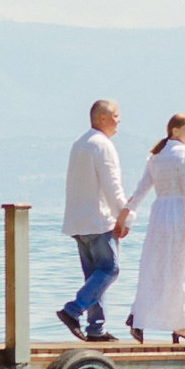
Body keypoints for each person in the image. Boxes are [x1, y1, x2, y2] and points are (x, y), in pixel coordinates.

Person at [124, 112, 185, 344]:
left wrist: (126, 215)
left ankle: (139, 315)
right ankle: (182, 326)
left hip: (160, 215)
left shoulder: (156, 156)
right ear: (175, 131)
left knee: (157, 267)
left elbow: (141, 190)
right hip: (181, 215)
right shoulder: (183, 154)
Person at [56, 99, 132, 341]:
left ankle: (96, 328)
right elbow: (112, 186)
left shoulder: (80, 143)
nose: (119, 120)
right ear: (102, 118)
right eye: (116, 115)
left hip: (78, 221)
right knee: (110, 269)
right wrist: (124, 216)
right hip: (99, 220)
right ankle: (73, 310)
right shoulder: (103, 145)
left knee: (94, 278)